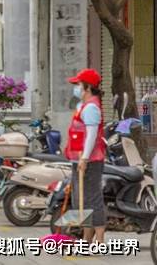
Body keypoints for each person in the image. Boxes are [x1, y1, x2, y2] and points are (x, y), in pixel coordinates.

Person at [65, 68, 106, 243]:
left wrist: (84, 158)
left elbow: (91, 135)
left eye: (78, 84)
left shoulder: (91, 108)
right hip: (79, 158)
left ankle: (100, 239)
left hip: (89, 160)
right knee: (81, 199)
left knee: (92, 198)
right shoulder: (82, 106)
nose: (76, 88)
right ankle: (86, 238)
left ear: (87, 87)